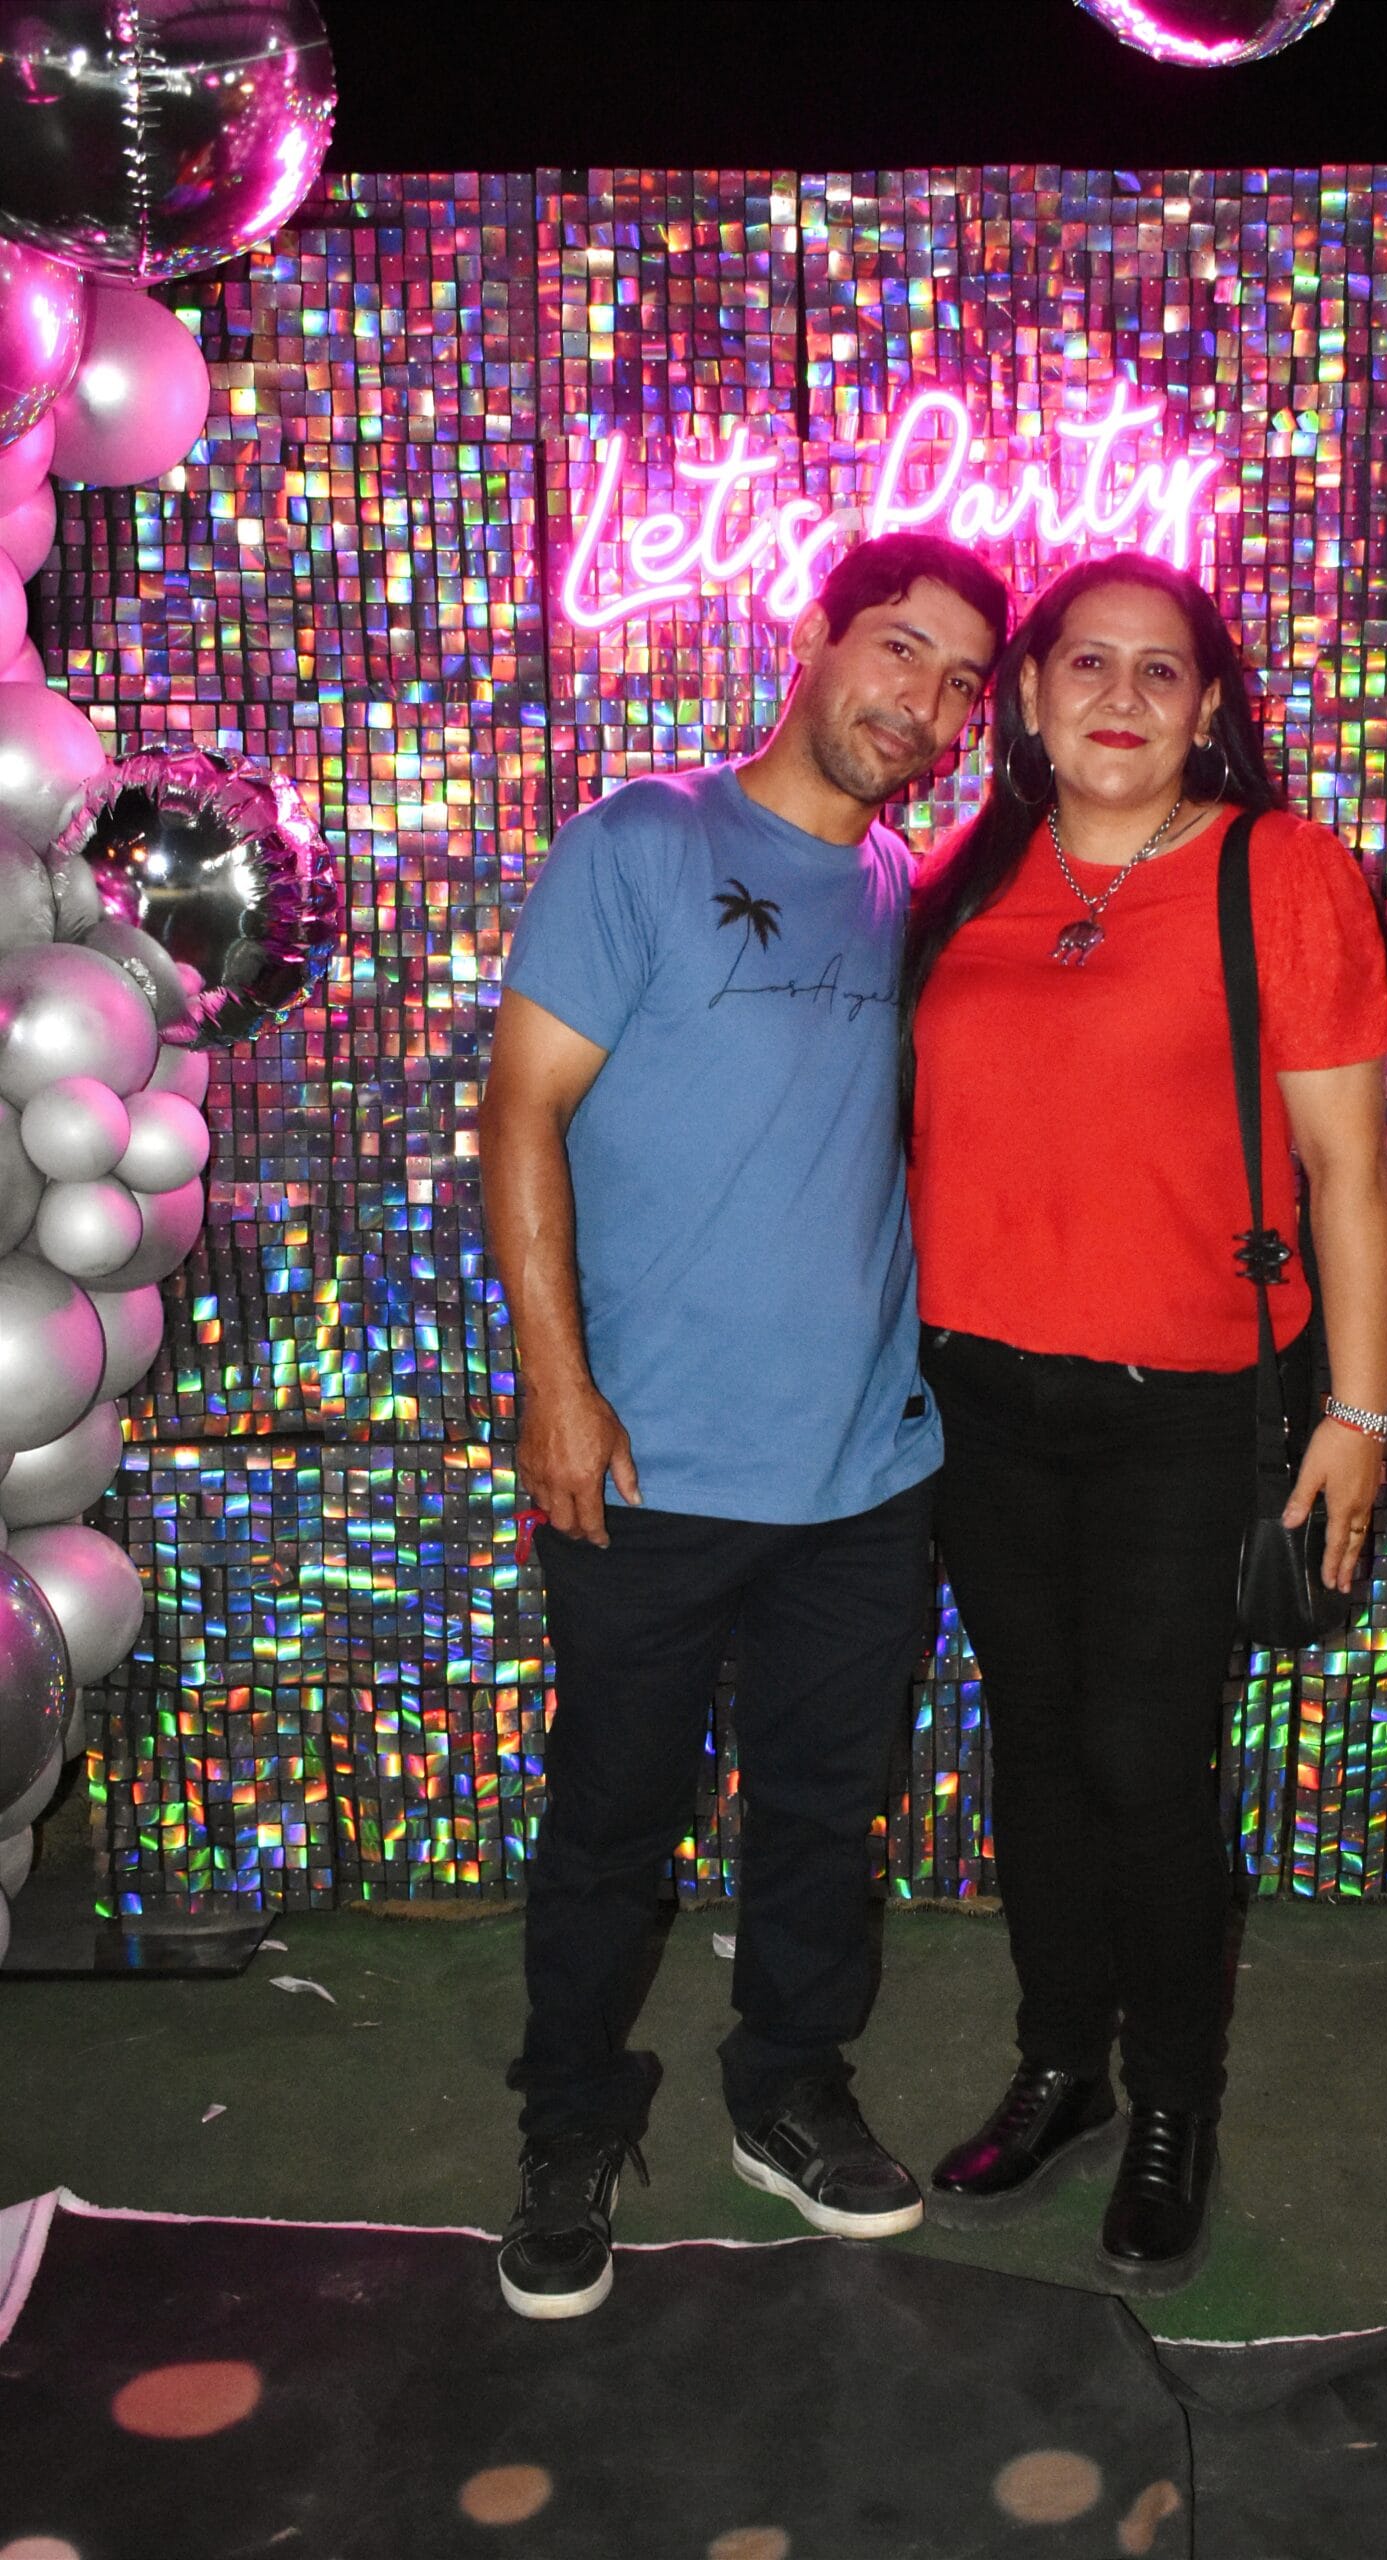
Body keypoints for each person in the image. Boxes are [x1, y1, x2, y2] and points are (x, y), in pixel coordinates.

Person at [479, 531, 1009, 2319]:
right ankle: (568, 2121)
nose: (926, 704)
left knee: (820, 1816)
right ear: (812, 637)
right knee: (610, 1824)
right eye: (900, 649)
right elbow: (521, 1114)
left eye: (961, 683)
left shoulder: (903, 887)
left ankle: (788, 2084)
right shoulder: (642, 839)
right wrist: (559, 1387)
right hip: (648, 1460)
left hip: (865, 1468)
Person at [902, 554, 1387, 2292]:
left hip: (1188, 1410)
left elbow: (1349, 1174)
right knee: (1035, 1751)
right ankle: (1061, 2072)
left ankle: (1174, 2103)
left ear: (1207, 707)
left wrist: (1360, 1413)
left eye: (1162, 669)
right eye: (1088, 663)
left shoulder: (1283, 872)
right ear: (1030, 696)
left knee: (1142, 1761)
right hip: (975, 1399)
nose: (1122, 696)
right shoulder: (960, 882)